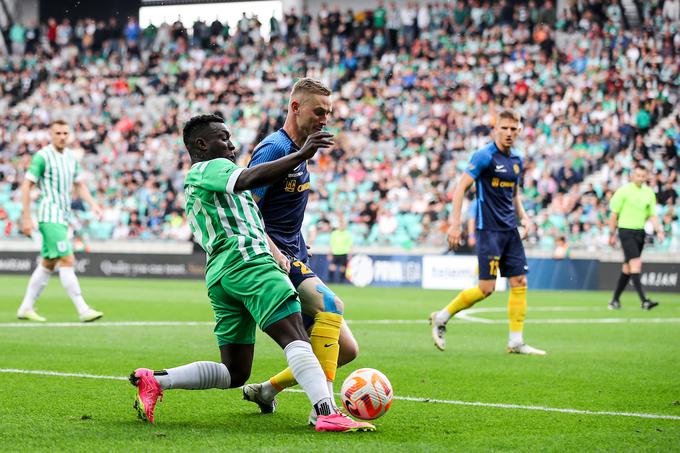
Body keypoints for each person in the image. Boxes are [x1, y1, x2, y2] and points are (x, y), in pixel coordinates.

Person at [129, 114, 374, 432]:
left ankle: (158, 380)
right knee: (296, 336)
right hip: (249, 264)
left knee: (235, 371)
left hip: (221, 275)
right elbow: (247, 180)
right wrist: (300, 155)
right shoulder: (213, 168)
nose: (230, 143)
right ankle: (325, 411)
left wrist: (282, 251)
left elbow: (248, 212)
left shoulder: (210, 178)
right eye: (222, 137)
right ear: (202, 144)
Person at [242, 78, 360, 426]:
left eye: (330, 113)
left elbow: (284, 209)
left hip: (297, 253)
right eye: (319, 111)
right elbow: (248, 211)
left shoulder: (301, 150)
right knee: (331, 305)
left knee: (347, 350)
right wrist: (276, 252)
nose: (325, 119)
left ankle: (267, 390)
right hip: (276, 258)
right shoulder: (274, 149)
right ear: (295, 107)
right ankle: (322, 409)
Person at [429, 109, 546, 355]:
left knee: (520, 281)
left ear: (519, 131)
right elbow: (460, 188)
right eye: (504, 128)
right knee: (486, 289)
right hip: (488, 231)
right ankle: (442, 316)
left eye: (514, 129)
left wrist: (524, 216)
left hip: (510, 231)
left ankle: (516, 341)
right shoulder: (484, 156)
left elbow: (514, 194)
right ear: (495, 129)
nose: (509, 133)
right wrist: (455, 223)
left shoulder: (517, 160)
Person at [16, 120, 104, 323]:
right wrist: (26, 217)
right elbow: (26, 186)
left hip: (63, 217)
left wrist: (93, 205)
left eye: (65, 132)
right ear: (51, 134)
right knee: (67, 259)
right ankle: (83, 309)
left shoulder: (71, 158)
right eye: (58, 133)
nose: (62, 136)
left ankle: (26, 307)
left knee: (48, 263)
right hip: (49, 216)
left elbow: (79, 184)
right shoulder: (42, 157)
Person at [607, 165, 664, 310]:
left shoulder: (649, 193)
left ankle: (614, 300)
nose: (640, 178)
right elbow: (614, 214)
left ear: (645, 177)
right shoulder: (624, 191)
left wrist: (659, 230)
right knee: (636, 263)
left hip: (640, 232)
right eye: (637, 175)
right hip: (626, 231)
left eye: (643, 176)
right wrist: (612, 233)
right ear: (632, 176)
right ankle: (644, 300)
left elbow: (652, 215)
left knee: (627, 268)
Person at [328, 217, 352, 283]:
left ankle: (341, 281)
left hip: (344, 252)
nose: (342, 226)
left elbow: (350, 245)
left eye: (344, 225)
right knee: (332, 267)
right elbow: (331, 244)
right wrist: (329, 253)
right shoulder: (334, 233)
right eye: (341, 225)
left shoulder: (348, 234)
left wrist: (350, 254)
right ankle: (331, 281)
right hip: (335, 252)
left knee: (343, 268)